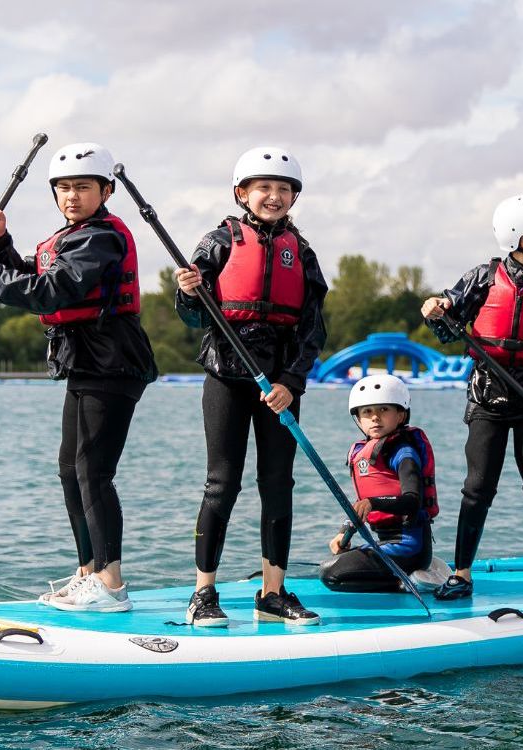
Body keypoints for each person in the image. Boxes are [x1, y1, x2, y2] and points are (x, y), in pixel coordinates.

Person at [0, 141, 158, 612]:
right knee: (72, 471)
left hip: (111, 362)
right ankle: (89, 571)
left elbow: (50, 291)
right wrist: (3, 245)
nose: (72, 196)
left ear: (105, 190)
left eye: (83, 187)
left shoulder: (99, 237)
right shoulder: (74, 236)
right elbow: (36, 271)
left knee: (93, 473)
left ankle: (112, 584)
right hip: (87, 362)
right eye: (64, 188)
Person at [173, 146, 328, 627]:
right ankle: (204, 592)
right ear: (242, 193)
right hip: (227, 376)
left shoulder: (301, 253)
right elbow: (194, 316)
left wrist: (290, 382)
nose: (274, 196)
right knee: (222, 484)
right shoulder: (217, 243)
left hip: (279, 385)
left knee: (278, 485)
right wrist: (186, 292)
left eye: (284, 189)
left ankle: (273, 592)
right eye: (264, 188)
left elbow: (312, 329)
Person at [419, 192, 523, 602]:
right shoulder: (484, 277)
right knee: (477, 488)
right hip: (486, 399)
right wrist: (436, 310)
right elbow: (449, 319)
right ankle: (461, 574)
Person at [320, 373, 443, 592]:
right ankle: (411, 573)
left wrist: (373, 503)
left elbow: (412, 501)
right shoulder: (367, 454)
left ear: (401, 415)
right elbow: (363, 505)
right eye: (367, 412)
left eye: (384, 410)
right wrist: (344, 531)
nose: (375, 417)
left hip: (410, 546)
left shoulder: (404, 452)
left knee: (331, 575)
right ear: (358, 419)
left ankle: (411, 581)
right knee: (335, 561)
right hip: (386, 542)